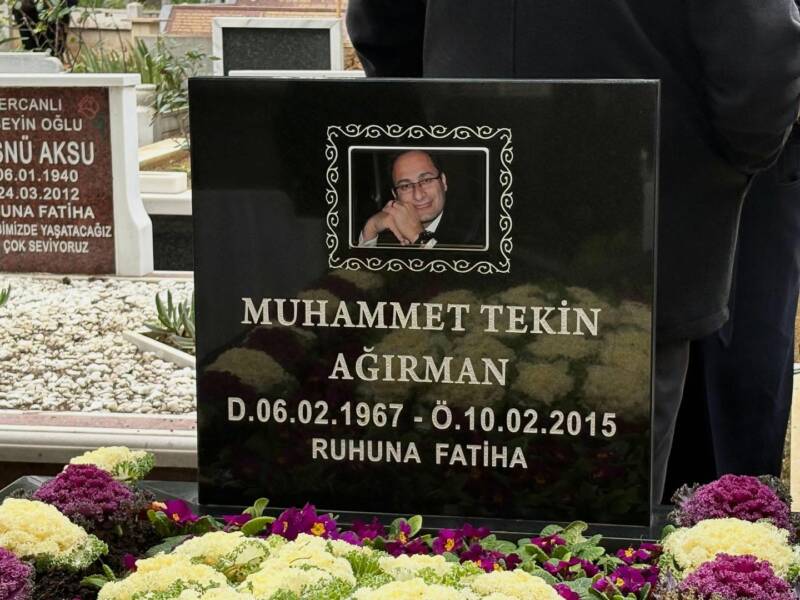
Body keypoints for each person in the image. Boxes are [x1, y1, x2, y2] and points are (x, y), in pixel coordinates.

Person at [346, 1, 800, 505]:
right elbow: (760, 59)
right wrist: (720, 163)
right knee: (613, 503)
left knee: (474, 480)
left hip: (486, 186)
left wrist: (442, 120)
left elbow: (384, 28)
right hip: (643, 213)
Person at [665, 126, 800, 493]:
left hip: (757, 152)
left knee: (744, 360)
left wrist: (759, 128)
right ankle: (664, 512)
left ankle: (735, 514)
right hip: (656, 142)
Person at [358, 149, 482, 248]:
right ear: (395, 195)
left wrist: (418, 237)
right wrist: (370, 229)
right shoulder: (388, 234)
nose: (418, 195)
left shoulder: (479, 230)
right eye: (405, 186)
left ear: (443, 181)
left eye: (426, 180)